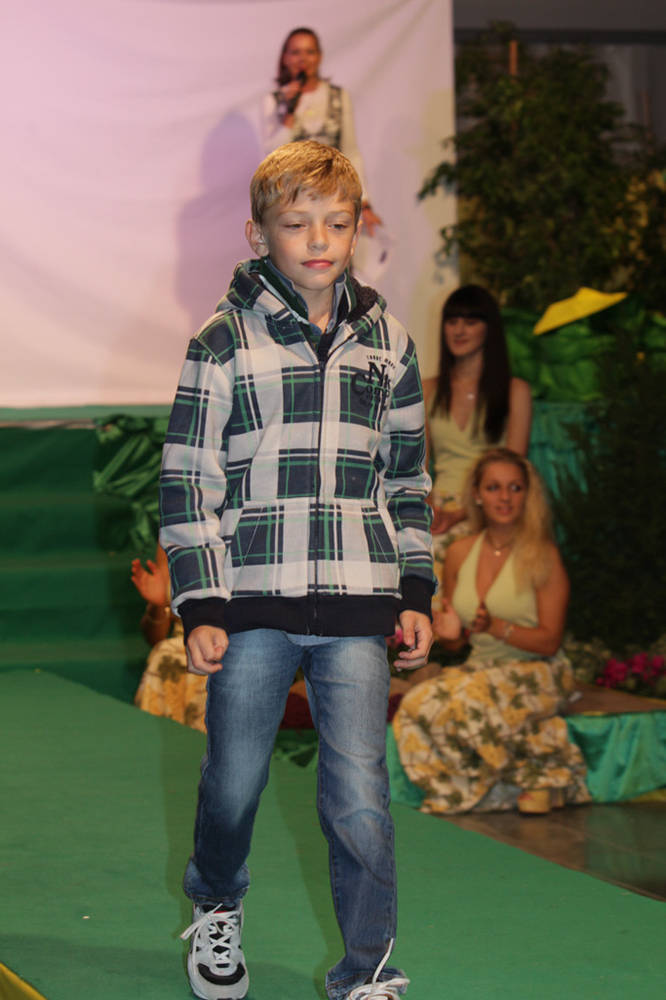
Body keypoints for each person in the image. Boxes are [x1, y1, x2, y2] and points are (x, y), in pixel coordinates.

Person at [159, 140, 435, 1000]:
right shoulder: (221, 342)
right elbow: (188, 479)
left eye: (337, 223)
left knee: (360, 799)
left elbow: (408, 480)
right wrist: (202, 603)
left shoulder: (389, 342)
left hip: (359, 606)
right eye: (296, 223)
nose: (319, 239)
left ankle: (368, 972)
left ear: (356, 231)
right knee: (235, 780)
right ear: (258, 234)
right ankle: (216, 901)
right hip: (251, 606)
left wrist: (416, 589)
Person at [393, 447, 590, 816]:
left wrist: (497, 627)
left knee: (468, 699)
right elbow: (457, 640)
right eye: (494, 487)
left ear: (527, 495)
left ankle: (541, 775)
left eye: (515, 488)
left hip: (538, 670)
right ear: (478, 495)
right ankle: (478, 790)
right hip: (480, 669)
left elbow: (550, 641)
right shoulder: (459, 552)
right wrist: (448, 633)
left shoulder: (543, 554)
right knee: (417, 704)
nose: (504, 497)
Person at [424, 285, 532, 562]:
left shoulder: (516, 392)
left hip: (494, 509)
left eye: (470, 322)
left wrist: (464, 513)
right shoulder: (427, 390)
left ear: (489, 329)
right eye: (452, 321)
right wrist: (429, 509)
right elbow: (416, 467)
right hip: (437, 511)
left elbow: (513, 473)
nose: (459, 330)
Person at [262, 26, 382, 235]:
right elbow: (273, 157)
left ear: (319, 56)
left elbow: (351, 152)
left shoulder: (338, 97)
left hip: (335, 201)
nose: (303, 59)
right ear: (285, 58)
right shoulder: (274, 101)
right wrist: (288, 111)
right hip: (293, 205)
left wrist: (364, 203)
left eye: (310, 52)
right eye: (296, 52)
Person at [131, 546, 207, 732]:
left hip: (239, 641)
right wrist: (158, 606)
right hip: (185, 642)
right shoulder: (177, 531)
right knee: (165, 654)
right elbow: (155, 638)